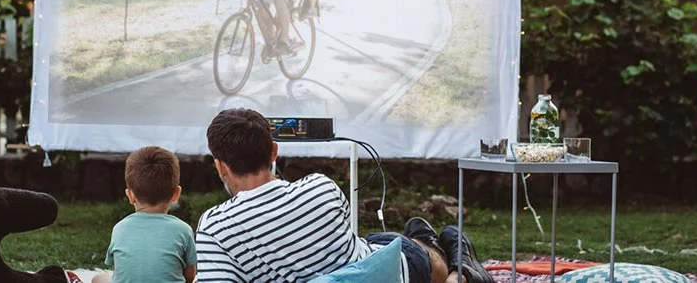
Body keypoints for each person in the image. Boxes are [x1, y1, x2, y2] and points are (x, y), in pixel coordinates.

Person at [196, 108, 493, 283]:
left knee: (385, 240)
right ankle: (458, 266)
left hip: (370, 261)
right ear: (274, 151)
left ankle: (438, 246)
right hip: (388, 272)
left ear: (220, 166)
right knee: (408, 248)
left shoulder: (214, 227)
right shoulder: (321, 186)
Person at [92, 146, 197, 283]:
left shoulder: (119, 228)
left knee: (99, 278)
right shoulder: (183, 230)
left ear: (130, 196)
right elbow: (190, 276)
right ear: (176, 194)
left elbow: (119, 271)